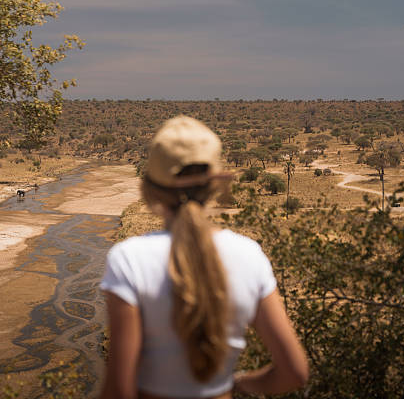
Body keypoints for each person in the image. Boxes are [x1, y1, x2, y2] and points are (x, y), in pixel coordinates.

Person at [100, 116, 308, 399]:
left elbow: (118, 391)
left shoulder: (129, 259)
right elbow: (294, 373)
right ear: (214, 186)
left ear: (150, 190)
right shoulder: (249, 255)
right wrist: (238, 384)